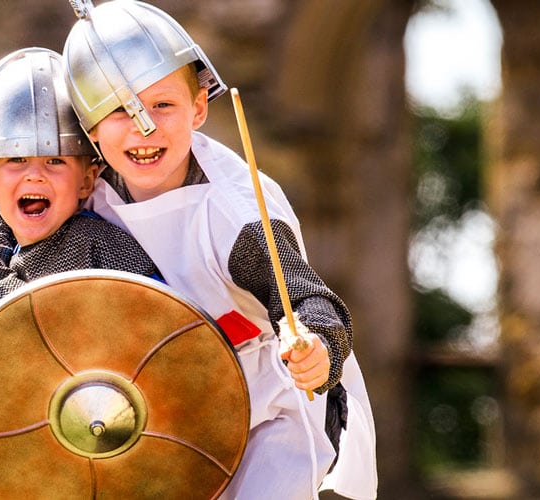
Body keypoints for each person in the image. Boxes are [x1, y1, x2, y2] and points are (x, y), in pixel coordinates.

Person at [61, 2, 377, 499]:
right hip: (170, 416)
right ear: (91, 130)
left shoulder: (235, 213)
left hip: (270, 412)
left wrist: (317, 347)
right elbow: (8, 226)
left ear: (200, 109)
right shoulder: (83, 196)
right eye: (119, 110)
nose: (144, 128)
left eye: (162, 105)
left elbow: (307, 299)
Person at [0, 47, 162, 317]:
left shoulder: (102, 245)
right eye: (17, 159)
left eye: (55, 161)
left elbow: (162, 318)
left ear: (86, 181)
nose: (35, 175)